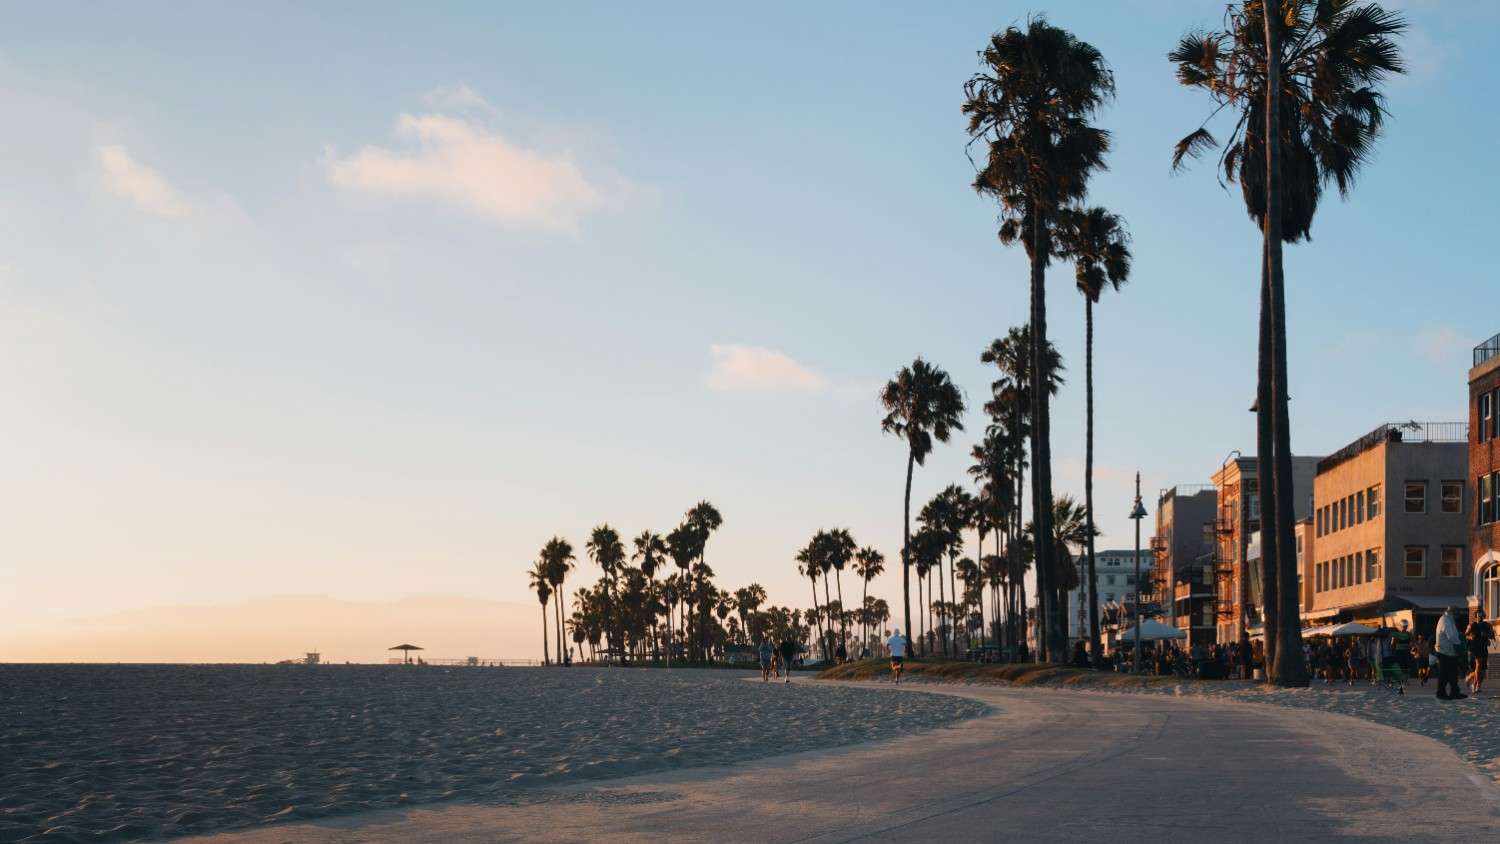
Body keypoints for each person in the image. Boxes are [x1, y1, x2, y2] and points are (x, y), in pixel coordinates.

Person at [1434, 606, 1466, 700]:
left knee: (1452, 674)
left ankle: (1454, 692)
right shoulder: (1446, 620)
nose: (1458, 616)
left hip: (1447, 651)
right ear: (1453, 613)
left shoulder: (1446, 619)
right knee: (1444, 674)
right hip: (1445, 652)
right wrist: (1459, 645)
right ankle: (1441, 693)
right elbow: (1452, 636)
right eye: (1457, 614)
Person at [1465, 608, 1494, 696]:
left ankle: (1470, 678)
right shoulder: (1472, 625)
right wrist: (1471, 637)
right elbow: (1465, 635)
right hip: (1475, 647)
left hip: (1484, 647)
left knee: (1483, 670)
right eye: (1478, 616)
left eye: (1481, 616)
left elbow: (1492, 636)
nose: (1480, 618)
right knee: (1479, 664)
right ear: (1476, 616)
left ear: (1483, 616)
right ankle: (1476, 685)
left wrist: (1487, 635)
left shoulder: (1487, 625)